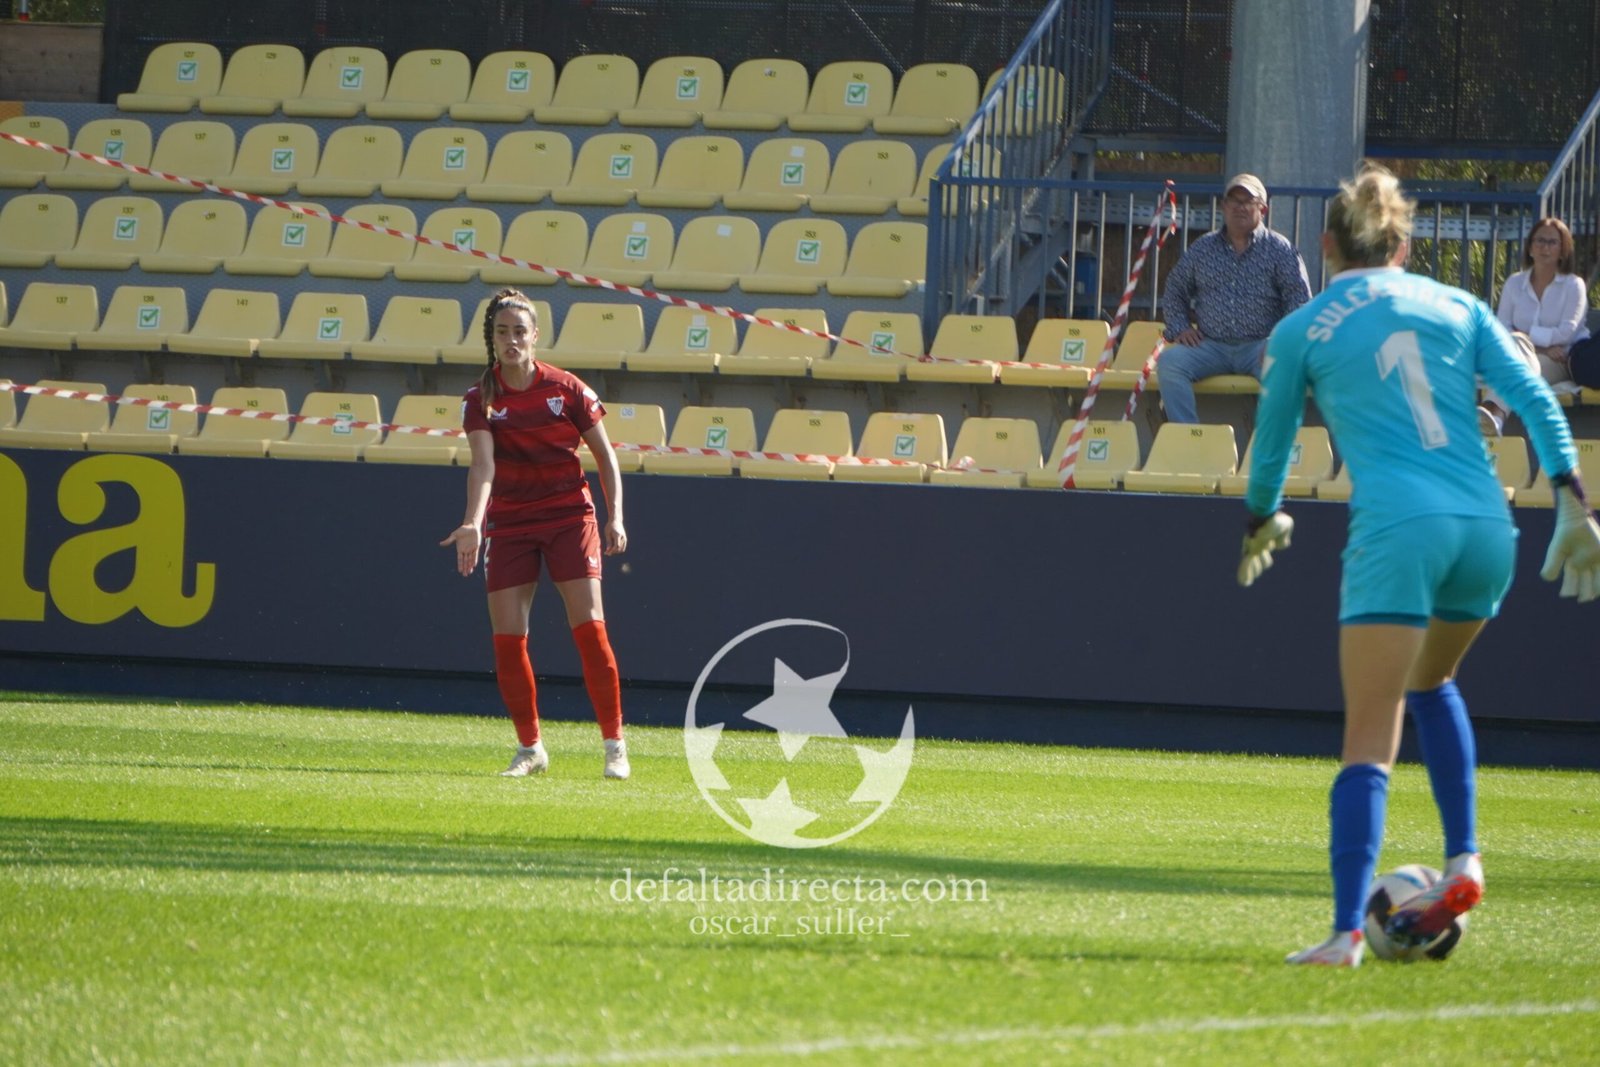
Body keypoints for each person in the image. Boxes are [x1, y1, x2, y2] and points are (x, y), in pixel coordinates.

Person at [1237, 164, 1600, 967]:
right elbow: (1537, 396)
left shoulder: (1302, 328)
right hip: (1485, 524)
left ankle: (1341, 934)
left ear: (1326, 244)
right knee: (1431, 682)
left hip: (1398, 527)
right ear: (1403, 244)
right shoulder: (1461, 304)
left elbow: (1270, 445)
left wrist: (1261, 517)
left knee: (1369, 737)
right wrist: (1575, 498)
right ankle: (1465, 854)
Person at [441, 288, 632, 780]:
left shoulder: (566, 389)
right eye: (502, 332)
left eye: (519, 331)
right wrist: (473, 523)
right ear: (492, 339)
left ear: (535, 337)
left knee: (589, 629)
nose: (511, 340)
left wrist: (615, 517)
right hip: (512, 522)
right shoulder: (479, 398)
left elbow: (606, 458)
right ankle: (531, 749)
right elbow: (482, 467)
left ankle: (614, 744)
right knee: (508, 639)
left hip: (570, 516)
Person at [1155, 173, 1313, 423]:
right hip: (1211, 346)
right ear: (1223, 206)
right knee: (1170, 363)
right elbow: (1175, 289)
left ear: (1263, 209)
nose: (1239, 206)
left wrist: (1279, 340)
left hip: (1261, 346)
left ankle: (1266, 446)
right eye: (1233, 200)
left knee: (1283, 369)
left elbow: (1300, 301)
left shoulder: (1280, 249)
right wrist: (1180, 327)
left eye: (1247, 201)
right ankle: (1186, 439)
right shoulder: (1202, 248)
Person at [1480, 217, 1598, 433]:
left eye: (1553, 242)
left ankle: (1494, 410)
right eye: (1540, 240)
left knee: (1516, 356)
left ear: (1563, 250)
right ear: (1530, 247)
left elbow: (1566, 332)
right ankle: (1495, 416)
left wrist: (1524, 336)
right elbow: (1501, 328)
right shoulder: (1514, 283)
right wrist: (1537, 345)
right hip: (1528, 351)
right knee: (1516, 346)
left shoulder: (1574, 285)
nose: (1545, 247)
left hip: (1561, 359)